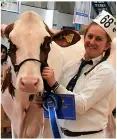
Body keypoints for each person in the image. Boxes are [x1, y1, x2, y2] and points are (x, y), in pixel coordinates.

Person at [41, 10, 116, 138]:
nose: (92, 42)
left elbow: (81, 105)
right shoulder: (72, 65)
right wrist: (45, 100)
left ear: (106, 46)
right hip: (61, 134)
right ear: (84, 38)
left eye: (98, 39)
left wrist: (54, 84)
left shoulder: (106, 71)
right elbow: (61, 97)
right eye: (90, 36)